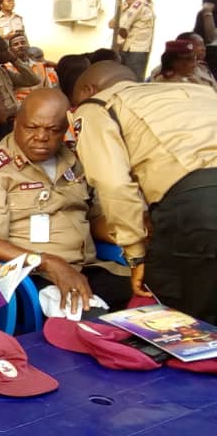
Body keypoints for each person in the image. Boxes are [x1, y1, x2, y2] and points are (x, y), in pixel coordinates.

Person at [0, 89, 132, 319]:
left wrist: (134, 236)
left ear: (65, 129)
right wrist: (47, 262)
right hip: (32, 276)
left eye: (53, 130)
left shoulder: (74, 160)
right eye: (32, 128)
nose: (42, 137)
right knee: (93, 321)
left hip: (88, 266)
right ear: (15, 123)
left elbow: (95, 218)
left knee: (157, 294)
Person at [72, 61, 217, 323]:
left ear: (87, 90)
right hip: (200, 204)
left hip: (200, 208)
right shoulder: (199, 92)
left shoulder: (97, 106)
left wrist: (137, 255)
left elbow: (113, 184)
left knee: (177, 325)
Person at [0, 36, 39, 118]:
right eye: (5, 50)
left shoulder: (3, 70)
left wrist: (15, 60)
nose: (9, 53)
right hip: (0, 122)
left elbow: (33, 80)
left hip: (15, 118)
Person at [118, 0, 158, 80]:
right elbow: (123, 26)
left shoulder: (150, 4)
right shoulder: (138, 4)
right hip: (135, 50)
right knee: (134, 79)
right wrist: (129, 40)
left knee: (139, 78)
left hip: (144, 49)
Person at [153, 39, 217, 90]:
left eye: (195, 58)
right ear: (173, 61)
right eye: (189, 59)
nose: (194, 64)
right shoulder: (165, 80)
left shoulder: (198, 71)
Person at [8, 34, 58, 101]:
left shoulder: (40, 66)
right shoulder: (6, 68)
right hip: (19, 107)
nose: (20, 46)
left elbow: (47, 88)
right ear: (10, 49)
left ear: (28, 45)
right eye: (16, 44)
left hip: (40, 105)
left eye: (23, 42)